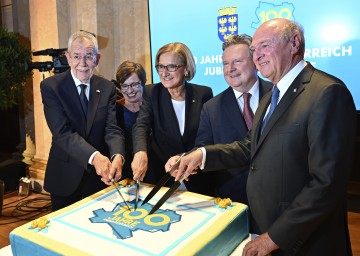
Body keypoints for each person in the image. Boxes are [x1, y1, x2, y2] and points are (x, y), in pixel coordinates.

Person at [167, 18, 356, 255]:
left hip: (306, 240)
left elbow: (326, 183)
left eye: (265, 46)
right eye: (255, 50)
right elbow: (250, 147)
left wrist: (273, 238)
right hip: (270, 229)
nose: (258, 56)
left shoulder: (326, 92)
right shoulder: (272, 97)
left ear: (294, 43)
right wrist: (201, 155)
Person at [40, 31, 125, 211]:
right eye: (77, 57)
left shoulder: (107, 87)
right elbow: (62, 133)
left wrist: (118, 155)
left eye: (88, 56)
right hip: (65, 178)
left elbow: (112, 129)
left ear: (97, 58)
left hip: (99, 179)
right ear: (68, 58)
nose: (83, 64)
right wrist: (95, 158)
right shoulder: (51, 87)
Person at [195, 34, 272, 204]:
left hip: (276, 198)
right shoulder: (211, 108)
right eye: (225, 63)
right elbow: (204, 151)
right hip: (234, 201)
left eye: (237, 61)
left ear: (255, 62)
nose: (230, 69)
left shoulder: (277, 95)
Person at [131, 42, 214, 195]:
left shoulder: (203, 94)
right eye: (161, 67)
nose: (164, 73)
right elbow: (141, 125)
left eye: (171, 67)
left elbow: (207, 137)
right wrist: (140, 151)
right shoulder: (151, 92)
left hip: (196, 179)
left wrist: (188, 158)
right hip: (163, 179)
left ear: (186, 68)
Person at [114, 60, 146, 180]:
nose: (130, 90)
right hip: (123, 173)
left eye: (134, 85)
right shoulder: (114, 109)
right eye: (125, 86)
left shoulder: (152, 107)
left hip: (154, 171)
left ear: (143, 83)